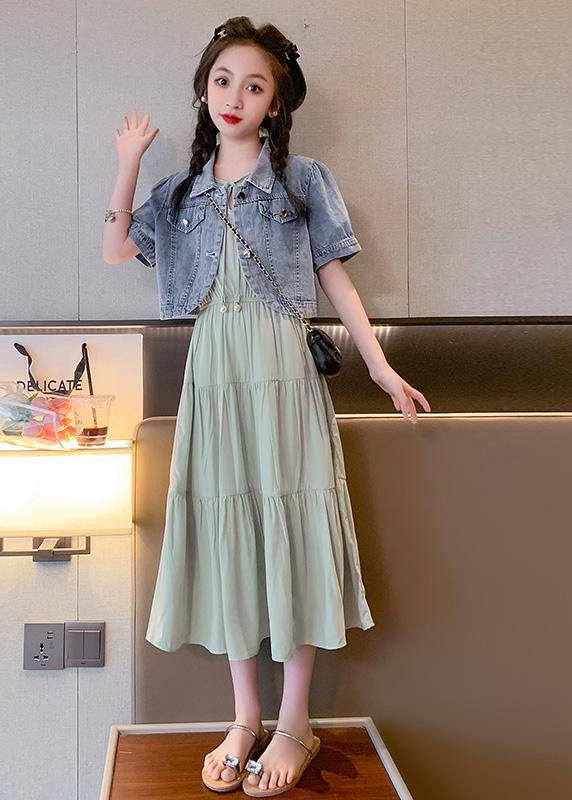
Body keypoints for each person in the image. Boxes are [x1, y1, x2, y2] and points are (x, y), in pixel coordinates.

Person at [102, 16, 431, 797]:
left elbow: (335, 276)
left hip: (282, 367)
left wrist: (380, 366)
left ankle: (294, 723)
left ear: (276, 104)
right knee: (230, 531)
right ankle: (244, 715)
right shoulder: (178, 192)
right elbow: (117, 249)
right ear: (203, 90)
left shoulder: (303, 179)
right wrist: (128, 163)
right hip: (214, 372)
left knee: (289, 524)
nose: (235, 97)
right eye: (223, 81)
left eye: (254, 86)